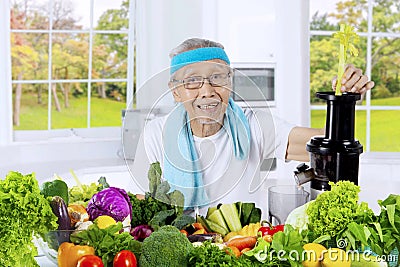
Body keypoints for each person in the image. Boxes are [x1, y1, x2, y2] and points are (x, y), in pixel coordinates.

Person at [131, 38, 374, 213]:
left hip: (245, 246)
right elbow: (146, 206)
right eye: (192, 81)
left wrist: (343, 102)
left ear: (230, 82)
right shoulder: (156, 133)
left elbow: (329, 148)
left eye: (217, 78)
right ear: (175, 91)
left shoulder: (254, 124)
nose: (207, 92)